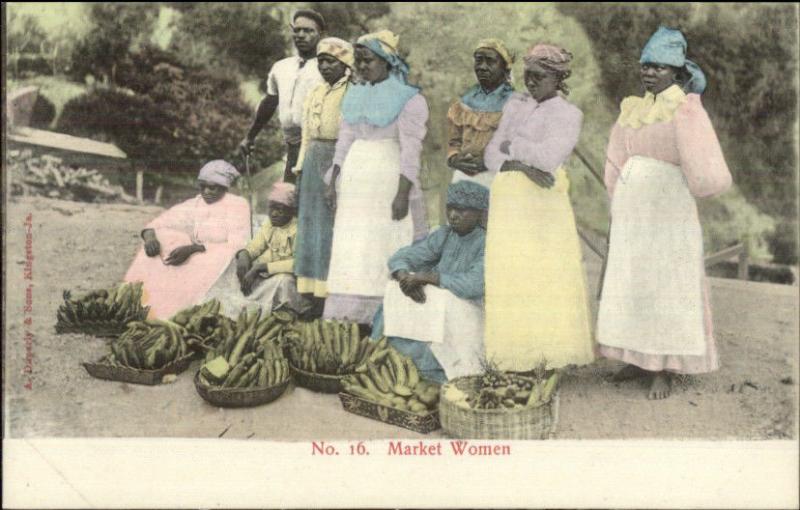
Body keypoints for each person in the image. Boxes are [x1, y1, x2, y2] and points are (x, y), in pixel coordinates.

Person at [596, 27, 732, 400]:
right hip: (633, 207)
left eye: (658, 67)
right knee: (633, 278)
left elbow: (706, 170)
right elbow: (616, 155)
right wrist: (619, 191)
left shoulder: (686, 107)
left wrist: (680, 182)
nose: (650, 73)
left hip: (668, 206)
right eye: (646, 66)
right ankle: (636, 356)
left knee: (666, 282)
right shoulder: (633, 108)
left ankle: (665, 367)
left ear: (676, 71)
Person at [482, 44, 595, 372]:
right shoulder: (515, 107)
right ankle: (515, 357)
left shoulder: (568, 115)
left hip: (542, 206)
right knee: (511, 273)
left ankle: (547, 357)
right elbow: (491, 156)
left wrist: (512, 149)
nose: (531, 83)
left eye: (540, 77)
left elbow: (549, 159)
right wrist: (520, 165)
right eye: (528, 76)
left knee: (542, 275)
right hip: (509, 200)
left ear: (558, 78)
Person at [322, 30, 429, 325]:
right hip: (356, 180)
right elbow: (344, 140)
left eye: (368, 60)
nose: (362, 66)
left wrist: (402, 193)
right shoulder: (355, 93)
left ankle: (384, 315)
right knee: (353, 243)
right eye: (359, 61)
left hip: (386, 176)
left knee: (383, 240)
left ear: (387, 61)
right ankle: (350, 315)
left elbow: (411, 151)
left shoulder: (408, 99)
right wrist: (333, 181)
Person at [371, 181, 489, 383]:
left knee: (442, 301)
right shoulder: (444, 234)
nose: (453, 215)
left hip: (469, 310)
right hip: (436, 300)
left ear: (479, 213)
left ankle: (434, 372)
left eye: (462, 210)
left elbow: (474, 285)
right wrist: (404, 279)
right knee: (395, 291)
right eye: (451, 208)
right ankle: (388, 359)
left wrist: (429, 278)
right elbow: (402, 257)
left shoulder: (486, 242)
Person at [124, 160, 250, 319]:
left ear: (225, 187)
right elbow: (163, 221)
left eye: (213, 187)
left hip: (222, 260)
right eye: (202, 186)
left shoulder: (237, 204)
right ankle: (141, 301)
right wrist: (150, 237)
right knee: (163, 237)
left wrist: (193, 249)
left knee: (202, 263)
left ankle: (178, 310)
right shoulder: (197, 203)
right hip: (196, 253)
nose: (206, 191)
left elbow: (237, 243)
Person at [292, 37, 354, 317]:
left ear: (345, 64)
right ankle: (310, 294)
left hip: (338, 158)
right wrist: (300, 168)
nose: (325, 67)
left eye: (331, 62)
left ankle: (330, 294)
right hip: (314, 156)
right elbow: (306, 133)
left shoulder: (352, 92)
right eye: (321, 62)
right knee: (310, 224)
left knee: (331, 226)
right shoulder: (315, 91)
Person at [239, 9, 325, 184]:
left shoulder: (329, 68)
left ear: (321, 35)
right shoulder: (281, 67)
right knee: (287, 199)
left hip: (320, 146)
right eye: (297, 30)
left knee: (313, 203)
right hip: (293, 147)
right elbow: (270, 102)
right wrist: (250, 136)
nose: (301, 35)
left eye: (308, 31)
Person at [204, 182, 304, 317]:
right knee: (233, 265)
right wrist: (244, 255)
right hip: (266, 276)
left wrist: (262, 267)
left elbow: (298, 264)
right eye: (271, 208)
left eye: (279, 209)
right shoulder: (270, 224)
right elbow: (255, 246)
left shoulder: (299, 230)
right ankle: (243, 303)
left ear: (292, 211)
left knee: (283, 281)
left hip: (286, 279)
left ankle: (262, 310)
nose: (273, 214)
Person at [448, 38, 515, 189]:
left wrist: (488, 161)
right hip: (463, 178)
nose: (482, 67)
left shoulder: (515, 105)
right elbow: (454, 142)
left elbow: (517, 149)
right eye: (479, 60)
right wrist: (454, 160)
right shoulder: (464, 103)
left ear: (505, 68)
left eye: (490, 61)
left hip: (500, 181)